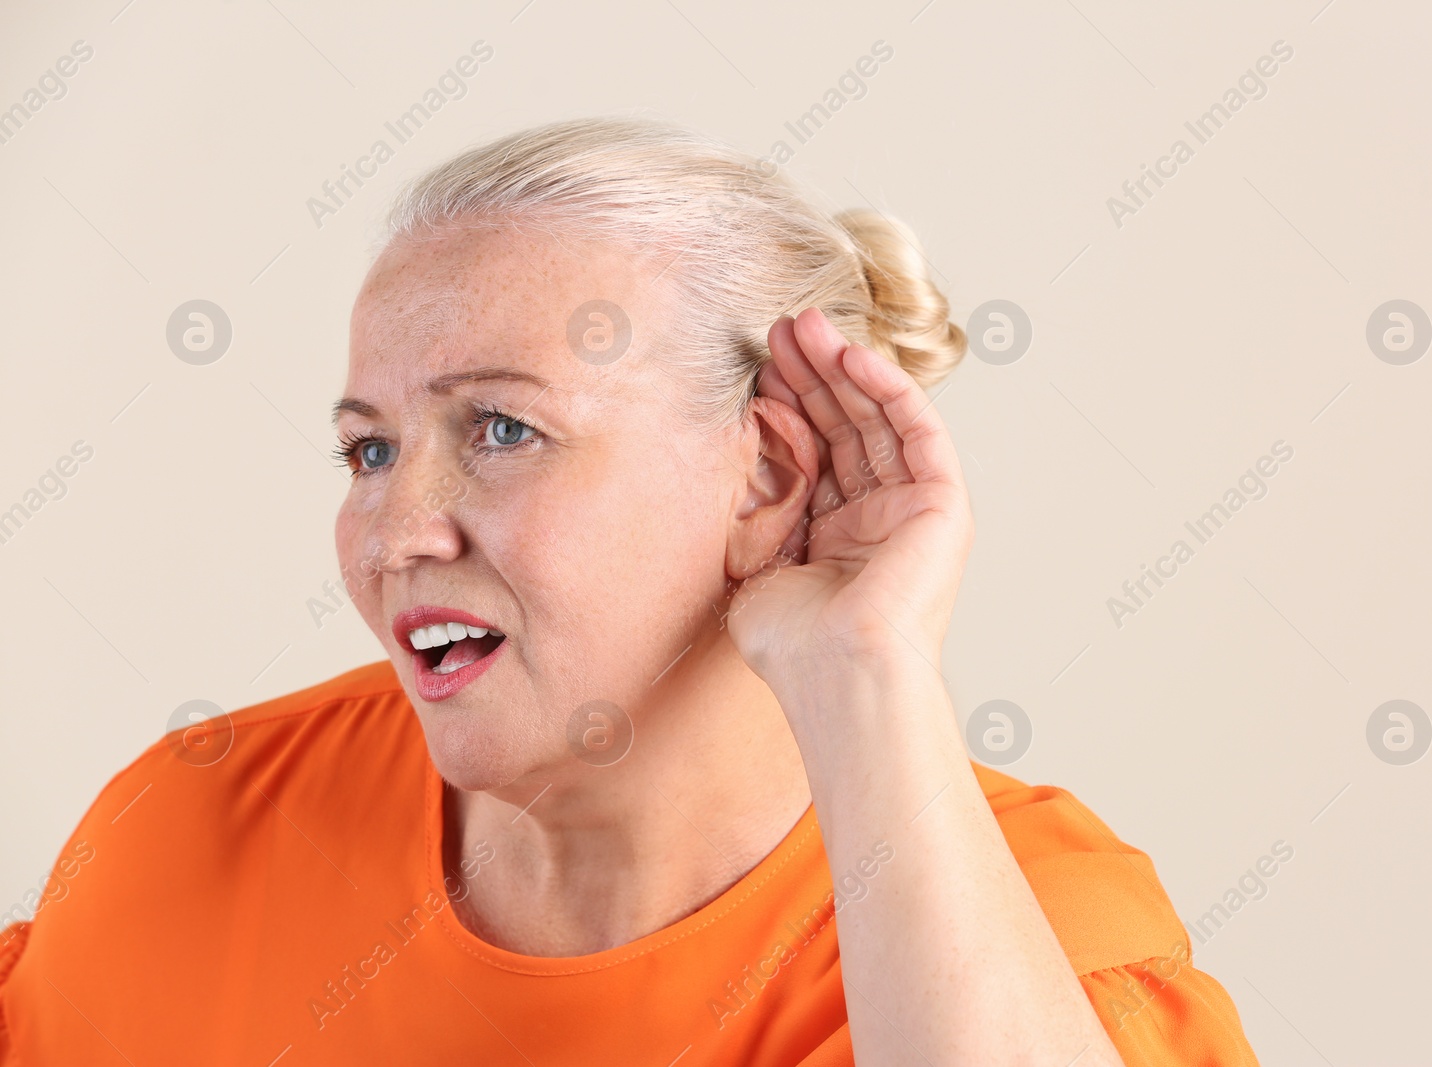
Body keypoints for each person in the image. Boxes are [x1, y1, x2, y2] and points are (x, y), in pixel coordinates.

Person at [0, 116, 1259, 1065]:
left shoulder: (1022, 938)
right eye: (369, 449)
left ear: (764, 472)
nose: (395, 532)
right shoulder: (192, 833)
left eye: (498, 428)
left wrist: (867, 666)